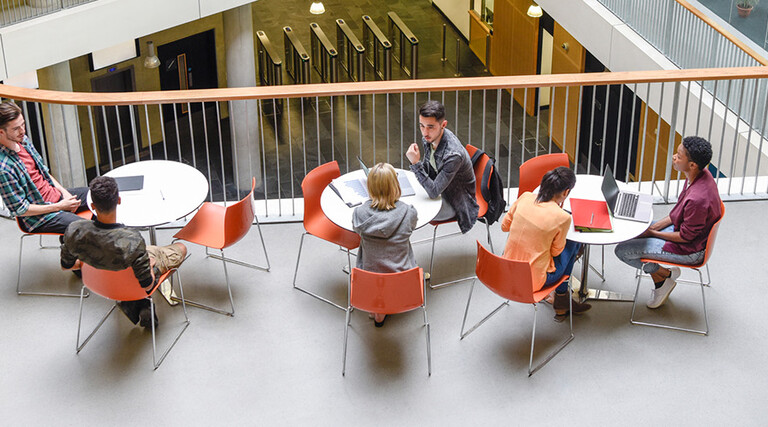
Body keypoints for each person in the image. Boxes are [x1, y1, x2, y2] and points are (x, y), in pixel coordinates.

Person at [60, 176, 187, 328]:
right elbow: (147, 285)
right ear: (119, 200)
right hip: (129, 273)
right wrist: (150, 263)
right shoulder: (132, 240)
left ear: (92, 206)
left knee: (130, 261)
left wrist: (87, 263)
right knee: (181, 247)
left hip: (99, 283)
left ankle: (136, 304)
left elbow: (66, 266)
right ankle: (136, 301)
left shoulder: (74, 230)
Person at [615, 136, 722, 308]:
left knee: (622, 251)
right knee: (632, 231)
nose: (673, 157)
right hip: (685, 231)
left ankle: (662, 277)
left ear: (693, 164)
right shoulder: (698, 176)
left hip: (690, 249)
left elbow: (686, 237)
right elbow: (677, 214)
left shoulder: (697, 199)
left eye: (679, 156)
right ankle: (664, 275)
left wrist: (652, 233)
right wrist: (652, 227)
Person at [501, 166, 591, 320]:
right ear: (566, 192)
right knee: (574, 242)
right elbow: (556, 252)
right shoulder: (562, 217)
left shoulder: (525, 197)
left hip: (505, 270)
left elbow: (505, 227)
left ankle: (561, 299)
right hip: (532, 282)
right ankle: (562, 299)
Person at [0, 101, 90, 234]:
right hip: (41, 217)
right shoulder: (4, 168)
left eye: (23, 124)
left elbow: (44, 173)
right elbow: (21, 209)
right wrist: (59, 206)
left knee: (101, 195)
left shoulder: (23, 140)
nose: (22, 130)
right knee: (87, 228)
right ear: (1, 132)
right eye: (16, 128)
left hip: (56, 197)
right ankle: (75, 247)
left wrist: (65, 194)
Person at [352, 163, 418, 327]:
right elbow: (412, 226)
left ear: (370, 188)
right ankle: (389, 301)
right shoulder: (409, 213)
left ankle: (377, 309)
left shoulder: (360, 214)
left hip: (368, 283)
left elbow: (356, 229)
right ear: (396, 186)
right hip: (402, 280)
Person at [406, 100, 478, 234]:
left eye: (430, 127)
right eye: (421, 126)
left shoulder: (453, 155)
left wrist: (416, 164)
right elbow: (430, 172)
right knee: (405, 199)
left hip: (456, 202)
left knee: (408, 211)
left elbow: (433, 192)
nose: (425, 132)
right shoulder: (429, 139)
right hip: (442, 189)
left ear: (443, 125)